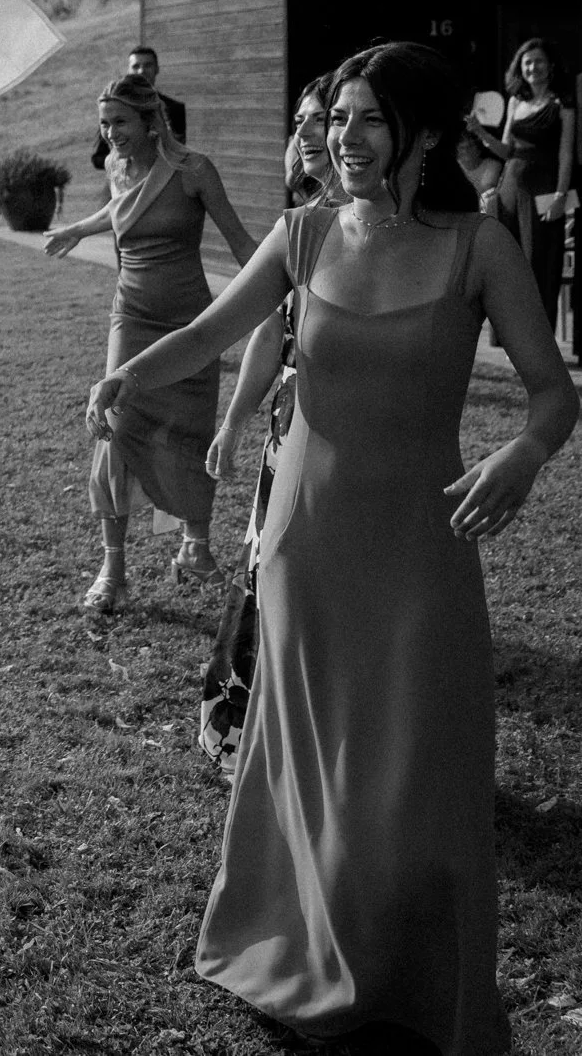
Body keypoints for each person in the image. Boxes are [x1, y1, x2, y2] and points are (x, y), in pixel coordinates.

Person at [87, 41, 579, 1055]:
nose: (341, 139)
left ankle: (407, 973)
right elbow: (214, 329)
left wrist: (522, 454)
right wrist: (124, 376)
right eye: (336, 119)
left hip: (416, 543)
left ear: (426, 136)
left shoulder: (476, 247)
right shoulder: (304, 231)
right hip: (303, 535)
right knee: (306, 759)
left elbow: (551, 389)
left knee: (408, 769)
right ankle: (302, 947)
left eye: (365, 120)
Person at [45, 74, 258, 613]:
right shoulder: (116, 168)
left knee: (189, 432)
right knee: (114, 430)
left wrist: (285, 290)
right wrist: (78, 229)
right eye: (104, 122)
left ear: (149, 120)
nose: (109, 133)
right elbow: (119, 210)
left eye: (119, 121)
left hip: (189, 322)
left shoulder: (194, 171)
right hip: (131, 318)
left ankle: (195, 551)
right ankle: (113, 570)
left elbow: (242, 244)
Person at [195, 72, 341, 766]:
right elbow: (263, 330)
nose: (308, 132)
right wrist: (232, 420)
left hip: (342, 439)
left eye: (325, 118)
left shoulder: (370, 228)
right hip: (285, 434)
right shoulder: (302, 219)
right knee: (263, 575)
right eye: (302, 120)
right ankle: (251, 738)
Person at [469, 37, 576, 326]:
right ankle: (510, 333)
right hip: (510, 189)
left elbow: (566, 154)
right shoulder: (515, 101)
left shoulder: (562, 104)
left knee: (540, 263)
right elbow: (506, 150)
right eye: (527, 62)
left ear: (550, 65)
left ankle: (539, 335)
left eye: (539, 61)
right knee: (508, 264)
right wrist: (480, 133)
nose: (533, 67)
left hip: (543, 187)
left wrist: (560, 195)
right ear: (520, 67)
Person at [89, 46, 188, 171]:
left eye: (148, 65)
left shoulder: (175, 109)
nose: (141, 71)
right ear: (128, 70)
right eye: (136, 66)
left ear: (157, 69)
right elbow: (98, 158)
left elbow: (179, 151)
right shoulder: (115, 107)